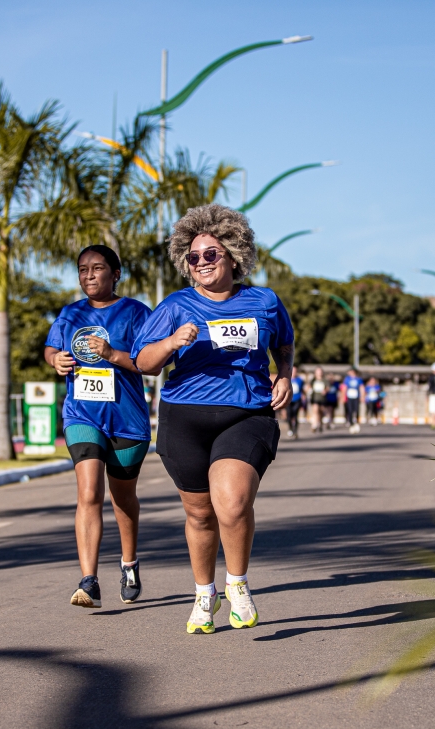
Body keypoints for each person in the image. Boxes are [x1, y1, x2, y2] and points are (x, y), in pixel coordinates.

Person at [131, 204, 294, 635]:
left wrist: (285, 374)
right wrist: (171, 342)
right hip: (185, 418)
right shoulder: (175, 306)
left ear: (234, 256)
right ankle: (205, 593)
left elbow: (284, 342)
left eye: (210, 254)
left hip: (247, 413)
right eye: (193, 257)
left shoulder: (264, 301)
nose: (201, 262)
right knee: (200, 514)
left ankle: (237, 584)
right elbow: (144, 362)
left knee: (233, 502)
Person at [44, 245, 151, 609]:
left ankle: (129, 563)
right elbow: (51, 348)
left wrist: (111, 354)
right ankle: (88, 581)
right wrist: (55, 359)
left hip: (127, 420)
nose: (88, 274)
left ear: (115, 274)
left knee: (122, 498)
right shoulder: (70, 313)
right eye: (82, 269)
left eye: (97, 268)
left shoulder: (135, 312)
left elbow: (151, 363)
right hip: (82, 415)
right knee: (89, 492)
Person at [341, 367, 364, 433]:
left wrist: (362, 396)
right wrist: (343, 396)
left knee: (356, 409)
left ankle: (356, 421)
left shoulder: (358, 379)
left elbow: (361, 387)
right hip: (349, 397)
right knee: (350, 410)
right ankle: (350, 422)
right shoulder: (347, 379)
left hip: (356, 397)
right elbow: (344, 388)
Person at [286, 366, 305, 439]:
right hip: (288, 400)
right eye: (292, 371)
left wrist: (303, 397)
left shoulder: (300, 380)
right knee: (289, 415)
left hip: (297, 399)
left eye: (295, 371)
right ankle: (290, 428)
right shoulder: (287, 379)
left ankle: (295, 431)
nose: (293, 372)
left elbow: (303, 390)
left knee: (295, 414)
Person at [307, 367, 327, 434]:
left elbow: (328, 387)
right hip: (315, 398)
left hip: (322, 398)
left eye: (320, 371)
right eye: (318, 371)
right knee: (315, 410)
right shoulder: (313, 380)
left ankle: (320, 423)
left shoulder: (324, 380)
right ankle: (314, 424)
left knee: (321, 411)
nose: (319, 373)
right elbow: (309, 386)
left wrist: (325, 391)